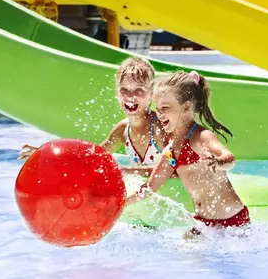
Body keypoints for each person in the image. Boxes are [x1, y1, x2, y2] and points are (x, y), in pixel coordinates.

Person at [126, 70, 250, 237]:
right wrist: (120, 204)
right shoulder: (170, 152)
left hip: (233, 222)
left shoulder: (201, 137)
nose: (159, 114)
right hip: (203, 222)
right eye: (157, 108)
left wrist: (219, 162)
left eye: (165, 108)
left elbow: (229, 159)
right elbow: (149, 188)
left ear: (186, 108)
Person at [19, 56, 169, 177]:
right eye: (124, 90)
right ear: (117, 93)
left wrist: (126, 171)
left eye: (139, 91)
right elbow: (92, 157)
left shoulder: (160, 128)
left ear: (151, 94)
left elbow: (180, 170)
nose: (130, 97)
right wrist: (49, 154)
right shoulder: (123, 130)